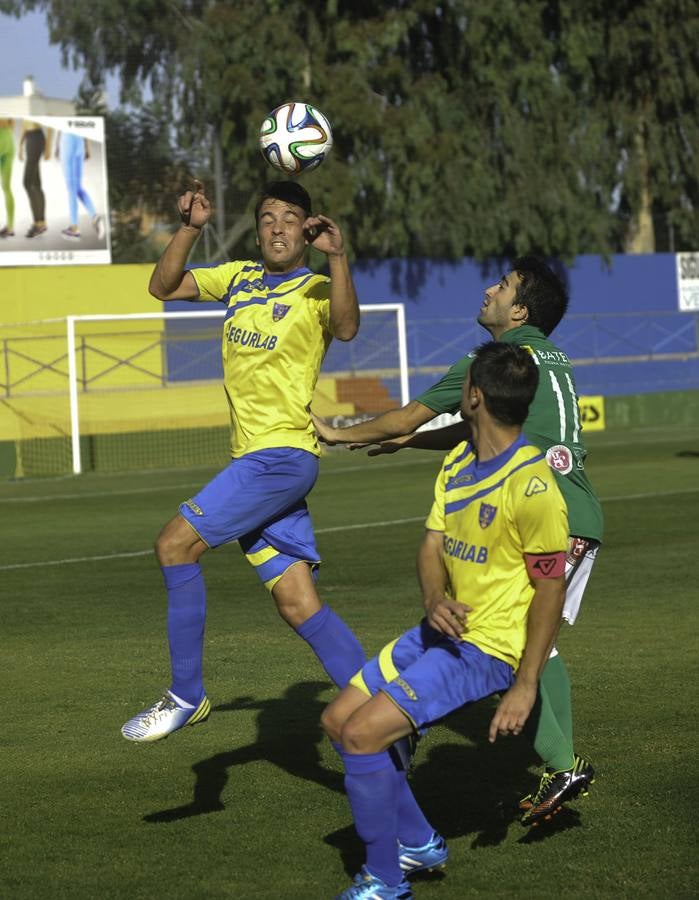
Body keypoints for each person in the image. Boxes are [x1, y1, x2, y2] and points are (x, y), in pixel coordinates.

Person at [313, 257, 601, 825]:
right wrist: (415, 443)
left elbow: (406, 417)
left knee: (522, 637)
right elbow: (475, 426)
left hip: (544, 511)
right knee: (531, 636)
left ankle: (559, 762)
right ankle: (558, 762)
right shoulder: (547, 356)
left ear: (518, 310)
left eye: (503, 285)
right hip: (572, 508)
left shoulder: (489, 361)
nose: (489, 289)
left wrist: (340, 433)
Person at [321, 341, 569, 899]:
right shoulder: (458, 462)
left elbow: (551, 589)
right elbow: (431, 546)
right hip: (440, 629)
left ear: (474, 397)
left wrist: (525, 684)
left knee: (362, 736)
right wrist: (434, 598)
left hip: (486, 649)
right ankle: (416, 841)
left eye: (462, 386)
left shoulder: (532, 485)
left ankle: (385, 883)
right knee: (338, 720)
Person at [121, 179, 366, 742]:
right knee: (299, 603)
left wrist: (340, 258)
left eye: (289, 218)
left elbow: (348, 328)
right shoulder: (239, 278)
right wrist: (190, 227)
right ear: (257, 229)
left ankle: (187, 694)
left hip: (280, 457)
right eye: (267, 218)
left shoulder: (316, 288)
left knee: (173, 544)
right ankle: (384, 705)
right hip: (257, 459)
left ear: (308, 229)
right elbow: (163, 286)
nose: (277, 227)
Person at [55, 130, 105, 240]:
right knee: (78, 187)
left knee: (71, 189)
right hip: (80, 142)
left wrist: (57, 146)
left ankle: (74, 228)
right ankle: (95, 216)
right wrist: (87, 146)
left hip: (68, 140)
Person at [18, 120, 52, 238]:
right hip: (29, 139)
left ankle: (39, 223)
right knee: (35, 184)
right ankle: (40, 223)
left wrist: (48, 147)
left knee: (27, 183)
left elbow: (50, 123)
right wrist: (20, 145)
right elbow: (24, 125)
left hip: (37, 138)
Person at [0, 118, 16, 238]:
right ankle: (10, 227)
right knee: (7, 188)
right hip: (9, 139)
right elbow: (13, 122)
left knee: (6, 188)